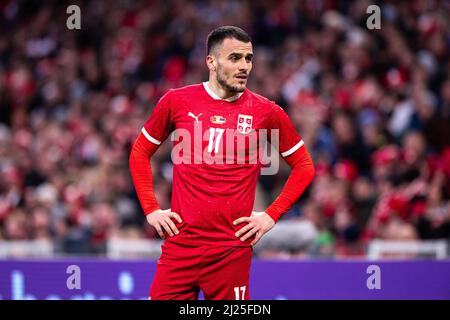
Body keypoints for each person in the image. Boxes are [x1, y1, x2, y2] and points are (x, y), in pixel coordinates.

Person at [129, 26, 315, 300]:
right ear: (211, 62)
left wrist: (270, 216)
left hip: (231, 250)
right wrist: (151, 209)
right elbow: (139, 153)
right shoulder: (176, 101)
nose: (244, 67)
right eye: (235, 58)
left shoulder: (267, 112)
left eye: (248, 58)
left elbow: (304, 166)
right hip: (181, 246)